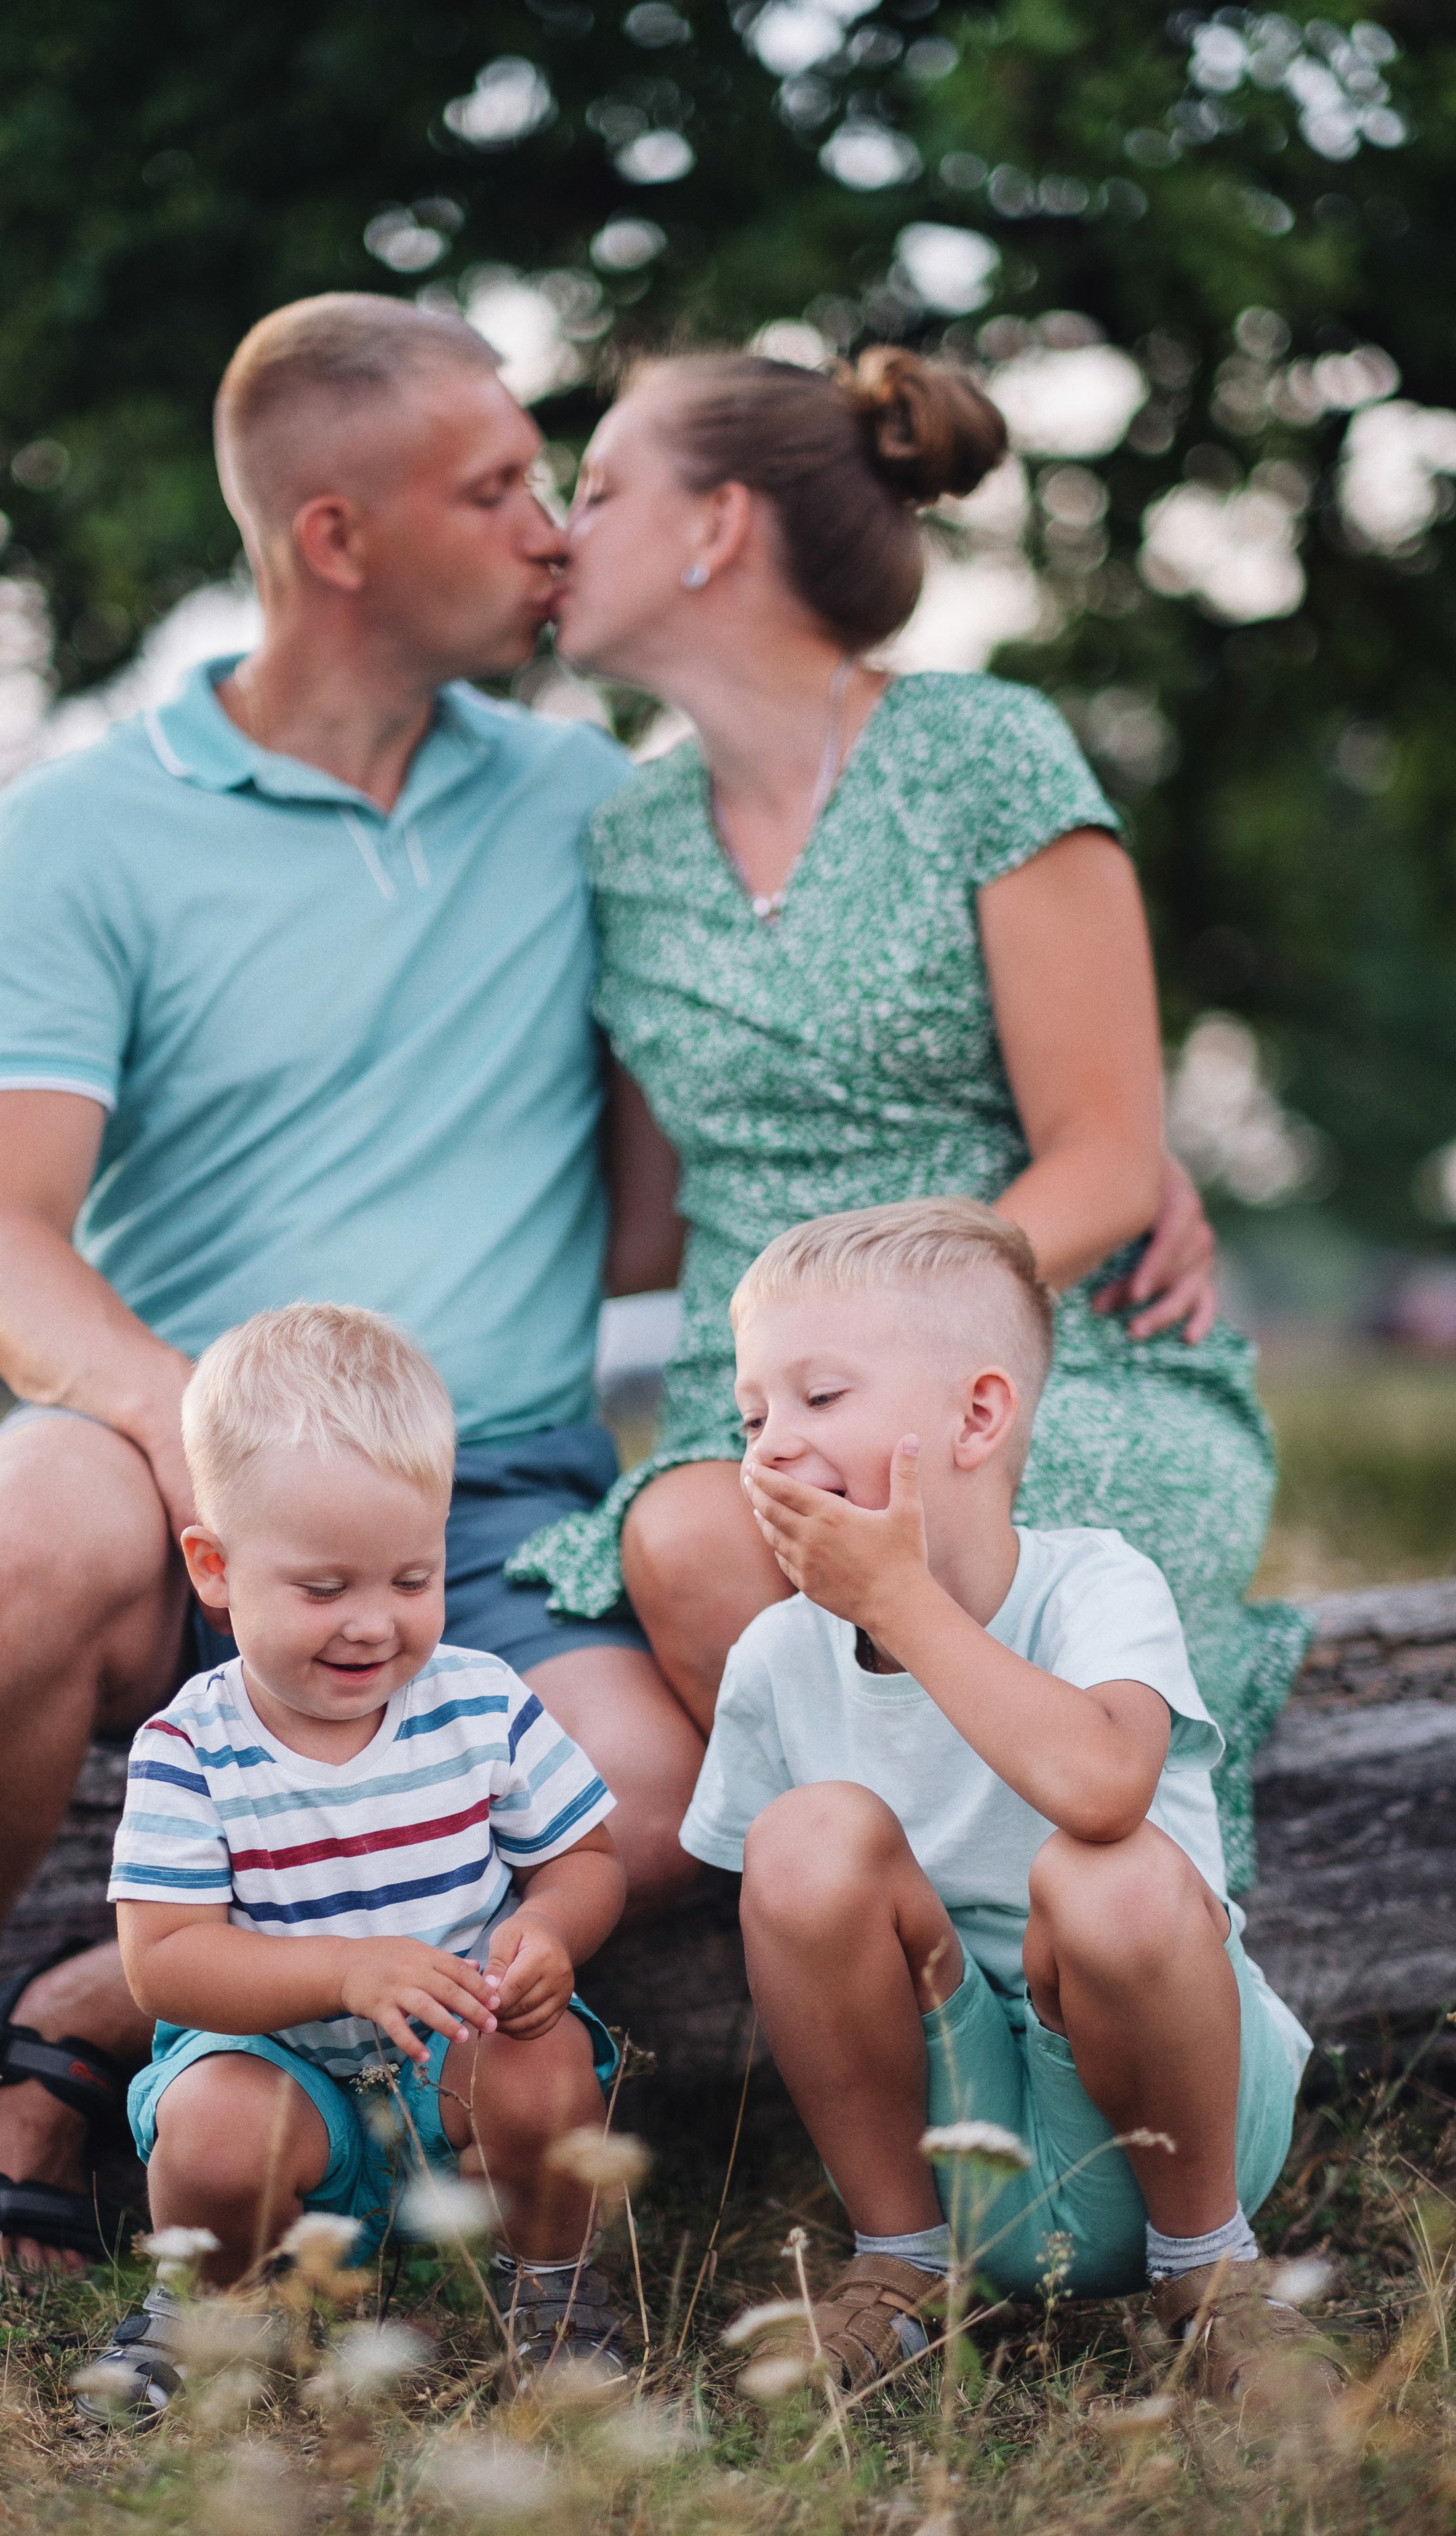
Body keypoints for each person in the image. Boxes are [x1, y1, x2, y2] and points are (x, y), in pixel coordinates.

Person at [0, 293, 706, 2325]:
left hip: (502, 1487)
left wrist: (1098, 1135)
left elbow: (674, 1189)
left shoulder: (587, 803)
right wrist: (194, 1432)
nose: (553, 529)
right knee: (11, 1542)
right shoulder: (82, 825)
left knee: (658, 1790)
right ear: (338, 534)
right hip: (163, 1458)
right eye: (499, 487)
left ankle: (100, 2010)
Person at [512, 345, 1309, 1891]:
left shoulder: (980, 754)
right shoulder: (621, 845)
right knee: (691, 1534)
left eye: (598, 489)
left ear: (716, 527)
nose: (559, 531)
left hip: (1027, 1363)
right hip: (756, 1403)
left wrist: (893, 1333)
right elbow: (646, 1207)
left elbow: (1102, 1149)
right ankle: (898, 1958)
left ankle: (1078, 1943)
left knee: (931, 1537)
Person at [683, 1200, 1335, 2411]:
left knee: (1109, 1867)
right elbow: (795, 1919)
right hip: (951, 2147)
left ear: (978, 1416)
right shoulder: (778, 1656)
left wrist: (902, 1604)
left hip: (1178, 2127)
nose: (771, 1446)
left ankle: (1212, 2278)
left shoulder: (1096, 1582)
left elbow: (1101, 1789)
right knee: (805, 1836)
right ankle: (902, 2269)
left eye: (821, 1400)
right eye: (753, 1415)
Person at [78, 1302, 628, 2417]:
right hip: (281, 2071)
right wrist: (344, 1972)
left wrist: (551, 1930)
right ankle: (208, 2310)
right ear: (215, 1567)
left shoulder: (478, 1702)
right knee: (213, 2122)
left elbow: (591, 1860)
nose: (373, 1625)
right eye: (324, 1589)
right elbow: (166, 1963)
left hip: (451, 2064)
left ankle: (554, 2294)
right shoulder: (192, 1745)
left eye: (410, 1581)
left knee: (551, 2053)